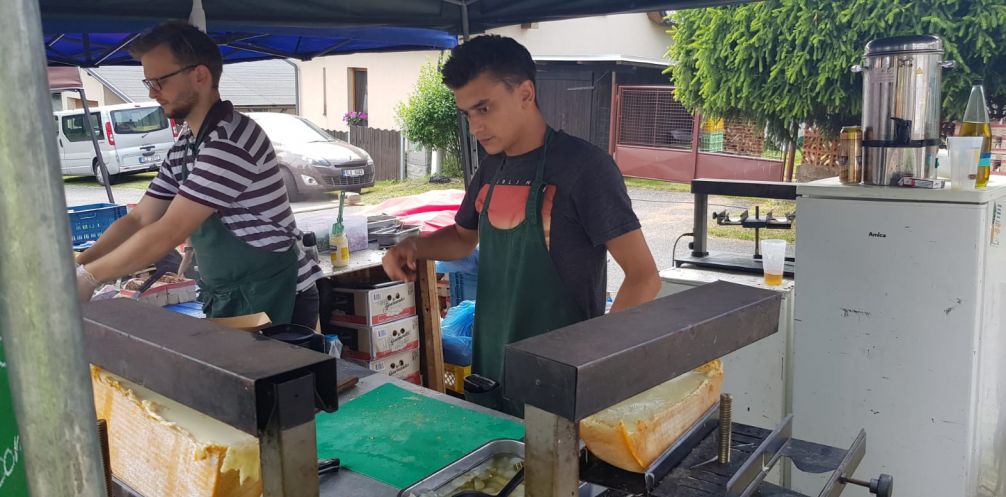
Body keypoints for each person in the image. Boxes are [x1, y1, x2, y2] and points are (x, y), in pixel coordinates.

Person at [382, 35, 661, 415]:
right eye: (467, 114)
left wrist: (597, 359)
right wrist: (413, 246)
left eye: (484, 108)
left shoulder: (584, 168)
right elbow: (463, 238)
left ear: (526, 93)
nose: (476, 126)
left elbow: (644, 277)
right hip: (491, 366)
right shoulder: (491, 168)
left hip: (561, 375)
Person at [74, 21, 322, 327]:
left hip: (277, 295)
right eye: (148, 82)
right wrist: (80, 265)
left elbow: (170, 230)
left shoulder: (229, 142)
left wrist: (91, 277)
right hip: (234, 293)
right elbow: (139, 219)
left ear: (200, 75)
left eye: (159, 82)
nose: (152, 93)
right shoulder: (187, 145)